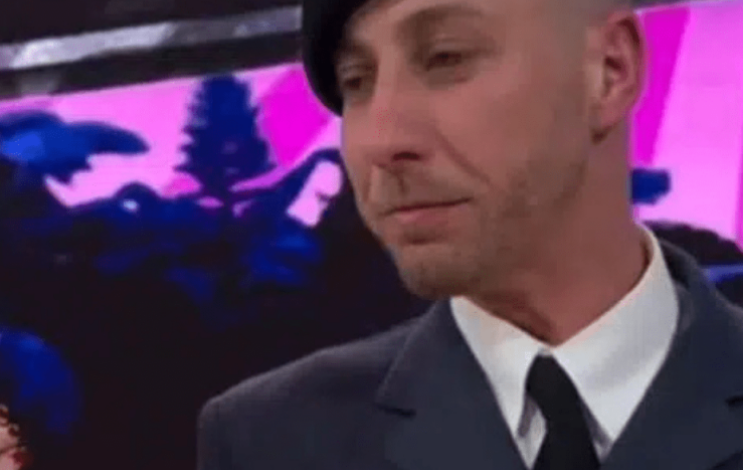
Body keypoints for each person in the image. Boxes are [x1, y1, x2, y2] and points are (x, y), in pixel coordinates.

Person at [198, 0, 743, 468]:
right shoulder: (271, 441)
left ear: (609, 69)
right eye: (356, 83)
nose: (381, 140)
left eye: (446, 57)